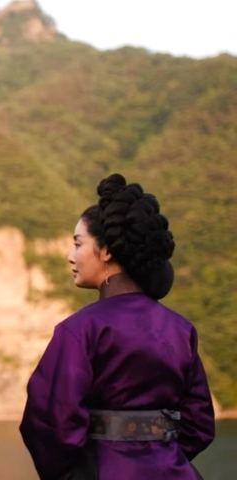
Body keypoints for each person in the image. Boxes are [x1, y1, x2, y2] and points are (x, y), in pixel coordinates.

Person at [19, 173, 215, 480]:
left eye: (78, 244)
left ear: (107, 250)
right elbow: (199, 423)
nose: (71, 257)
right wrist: (159, 455)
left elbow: (50, 421)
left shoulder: (80, 329)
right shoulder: (181, 330)